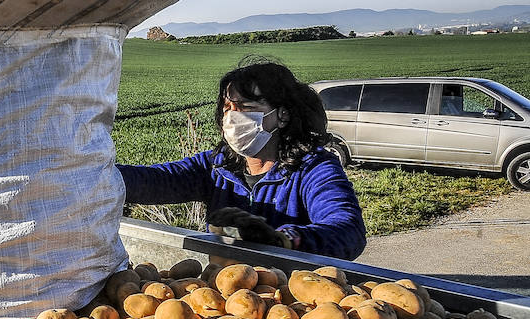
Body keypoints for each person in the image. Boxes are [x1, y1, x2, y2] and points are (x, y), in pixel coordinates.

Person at [117, 60, 367, 260]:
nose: (233, 119)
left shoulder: (313, 167)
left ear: (282, 115)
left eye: (246, 107)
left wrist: (284, 240)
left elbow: (347, 230)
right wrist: (94, 177)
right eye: (228, 109)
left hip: (288, 299)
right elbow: (155, 181)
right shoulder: (216, 166)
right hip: (226, 293)